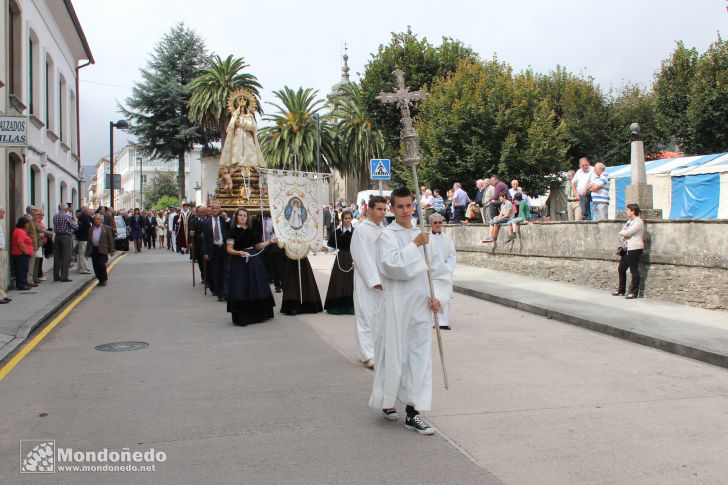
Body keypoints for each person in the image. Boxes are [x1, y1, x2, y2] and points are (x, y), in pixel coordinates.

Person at [369, 187, 452, 436]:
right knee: (394, 356)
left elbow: (439, 272)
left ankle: (413, 412)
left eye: (409, 205)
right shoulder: (387, 236)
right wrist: (414, 246)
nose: (406, 211)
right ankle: (387, 399)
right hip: (396, 305)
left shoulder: (422, 235)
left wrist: (439, 298)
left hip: (420, 307)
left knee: (418, 357)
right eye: (400, 206)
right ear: (392, 209)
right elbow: (394, 267)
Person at [350, 195, 386, 369]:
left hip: (383, 280)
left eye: (384, 209)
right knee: (365, 315)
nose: (382, 213)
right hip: (366, 279)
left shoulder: (383, 230)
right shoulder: (361, 229)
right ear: (370, 209)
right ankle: (367, 355)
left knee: (379, 317)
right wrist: (373, 279)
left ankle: (377, 351)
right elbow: (360, 256)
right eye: (379, 209)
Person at [225, 208, 277, 326]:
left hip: (254, 261)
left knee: (255, 286)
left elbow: (257, 246)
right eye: (241, 215)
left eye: (245, 216)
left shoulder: (251, 231)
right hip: (239, 262)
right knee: (241, 287)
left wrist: (270, 241)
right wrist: (239, 253)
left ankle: (258, 315)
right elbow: (229, 249)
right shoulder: (232, 232)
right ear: (236, 217)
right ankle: (242, 316)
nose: (243, 217)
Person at [322, 210, 355, 315]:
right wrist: (325, 249)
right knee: (339, 281)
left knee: (351, 282)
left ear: (352, 219)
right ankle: (338, 306)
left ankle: (351, 306)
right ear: (342, 219)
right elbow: (332, 248)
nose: (347, 220)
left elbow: (359, 247)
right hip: (340, 258)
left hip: (352, 258)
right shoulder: (336, 233)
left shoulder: (356, 231)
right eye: (345, 218)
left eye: (349, 218)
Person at [429, 213, 456, 330]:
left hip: (444, 271)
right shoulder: (426, 238)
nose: (438, 225)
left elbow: (452, 255)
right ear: (430, 224)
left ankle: (443, 322)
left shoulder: (447, 238)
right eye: (435, 222)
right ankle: (432, 321)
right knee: (433, 295)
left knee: (445, 295)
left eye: (440, 222)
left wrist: (449, 269)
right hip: (432, 272)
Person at [614, 204, 644, 299]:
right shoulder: (629, 222)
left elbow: (627, 232)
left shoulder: (638, 222)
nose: (627, 212)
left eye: (628, 210)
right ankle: (621, 290)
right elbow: (623, 231)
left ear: (633, 211)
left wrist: (624, 233)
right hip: (627, 247)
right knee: (621, 268)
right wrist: (624, 233)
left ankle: (633, 292)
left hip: (635, 248)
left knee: (633, 270)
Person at [201, 204, 229, 302]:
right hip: (214, 250)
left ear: (220, 209)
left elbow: (231, 229)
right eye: (214, 208)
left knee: (226, 272)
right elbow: (204, 239)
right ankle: (219, 293)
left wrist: (226, 219)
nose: (215, 210)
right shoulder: (206, 222)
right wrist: (205, 252)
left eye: (217, 208)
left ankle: (226, 293)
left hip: (225, 249)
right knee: (216, 273)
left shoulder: (224, 220)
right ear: (210, 210)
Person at [86, 213, 115, 286]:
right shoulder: (91, 229)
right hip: (94, 249)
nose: (96, 221)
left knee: (101, 264)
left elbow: (110, 240)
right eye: (95, 219)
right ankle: (100, 279)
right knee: (95, 266)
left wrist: (112, 250)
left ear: (101, 220)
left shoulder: (107, 228)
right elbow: (89, 241)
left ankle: (104, 279)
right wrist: (87, 252)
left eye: (98, 219)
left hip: (102, 249)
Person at [53, 203, 78, 282]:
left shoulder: (55, 216)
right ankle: (64, 277)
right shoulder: (66, 217)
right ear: (66, 209)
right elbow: (74, 227)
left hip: (57, 236)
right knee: (65, 257)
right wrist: (76, 221)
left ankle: (56, 276)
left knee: (57, 257)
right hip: (66, 237)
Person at [11, 218, 34, 290]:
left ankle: (24, 283)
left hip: (22, 254)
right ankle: (21, 284)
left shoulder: (22, 231)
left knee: (24, 269)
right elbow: (20, 243)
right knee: (21, 270)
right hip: (20, 254)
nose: (28, 225)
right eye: (27, 224)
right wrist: (26, 252)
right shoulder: (19, 231)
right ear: (23, 224)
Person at [75, 207, 93, 274]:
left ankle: (84, 267)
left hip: (85, 238)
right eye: (89, 210)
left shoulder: (86, 216)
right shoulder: (83, 217)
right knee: (82, 253)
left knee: (84, 253)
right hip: (82, 238)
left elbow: (93, 221)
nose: (90, 212)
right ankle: (82, 268)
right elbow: (88, 225)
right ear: (85, 211)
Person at [0, 208, 10, 303]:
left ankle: (2, 294)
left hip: (2, 251)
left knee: (2, 275)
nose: (4, 214)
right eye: (3, 212)